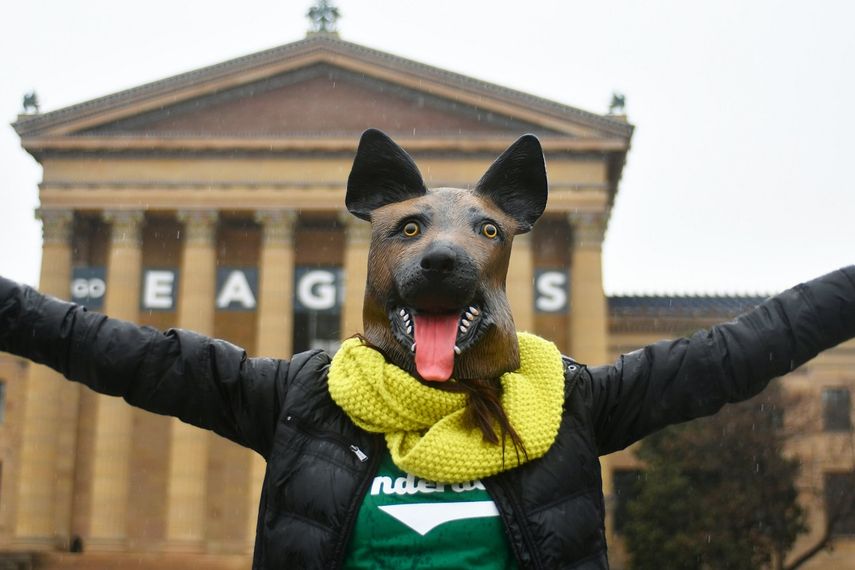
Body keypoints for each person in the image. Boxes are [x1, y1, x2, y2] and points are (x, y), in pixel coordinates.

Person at [1, 131, 854, 569]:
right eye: (407, 232)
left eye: (476, 234)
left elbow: (745, 347)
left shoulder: (565, 404)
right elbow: (108, 347)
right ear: (378, 249)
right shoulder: (303, 399)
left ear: (504, 250)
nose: (440, 253)